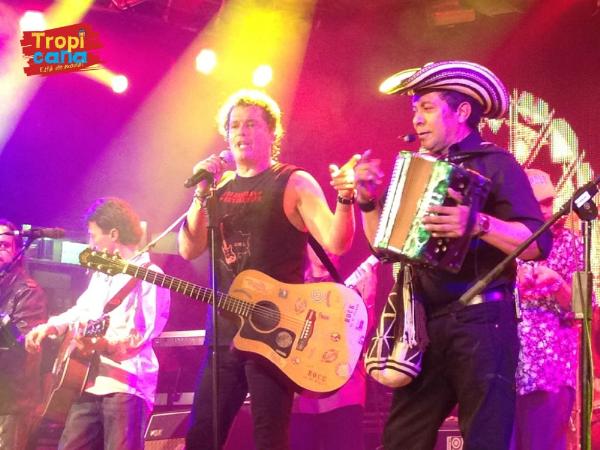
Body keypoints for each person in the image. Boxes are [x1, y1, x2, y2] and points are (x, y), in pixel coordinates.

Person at [354, 60, 553, 449]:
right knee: (401, 439)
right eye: (415, 109)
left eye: (427, 108)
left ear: (461, 112)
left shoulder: (495, 163)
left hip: (482, 323)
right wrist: (365, 201)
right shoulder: (418, 166)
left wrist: (479, 223)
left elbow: (537, 243)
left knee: (485, 439)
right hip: (425, 327)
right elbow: (384, 247)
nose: (417, 119)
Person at [178, 89, 358, 450]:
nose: (241, 132)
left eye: (251, 124)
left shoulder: (292, 181)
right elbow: (188, 249)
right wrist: (201, 193)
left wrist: (346, 198)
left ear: (272, 132)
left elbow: (337, 242)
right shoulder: (218, 187)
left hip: (276, 332)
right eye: (234, 126)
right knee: (201, 438)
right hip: (224, 333)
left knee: (269, 439)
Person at [25, 197, 171, 450]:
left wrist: (105, 345)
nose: (90, 243)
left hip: (124, 385)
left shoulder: (151, 274)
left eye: (93, 236)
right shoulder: (103, 273)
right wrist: (51, 326)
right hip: (87, 380)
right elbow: (82, 310)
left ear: (113, 234)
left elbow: (142, 334)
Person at [512, 168, 583, 450]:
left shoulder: (571, 242)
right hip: (503, 370)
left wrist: (557, 284)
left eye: (549, 202)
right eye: (537, 203)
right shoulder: (502, 242)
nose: (546, 210)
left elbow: (584, 310)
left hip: (549, 373)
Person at [290, 246, 379, 450]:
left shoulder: (352, 284)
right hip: (300, 398)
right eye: (318, 241)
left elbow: (363, 340)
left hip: (344, 396)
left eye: (330, 240)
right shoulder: (293, 287)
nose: (325, 247)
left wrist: (369, 299)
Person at [0, 219, 48, 450]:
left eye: (3, 245)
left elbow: (21, 347)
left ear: (17, 250)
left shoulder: (28, 291)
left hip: (10, 403)